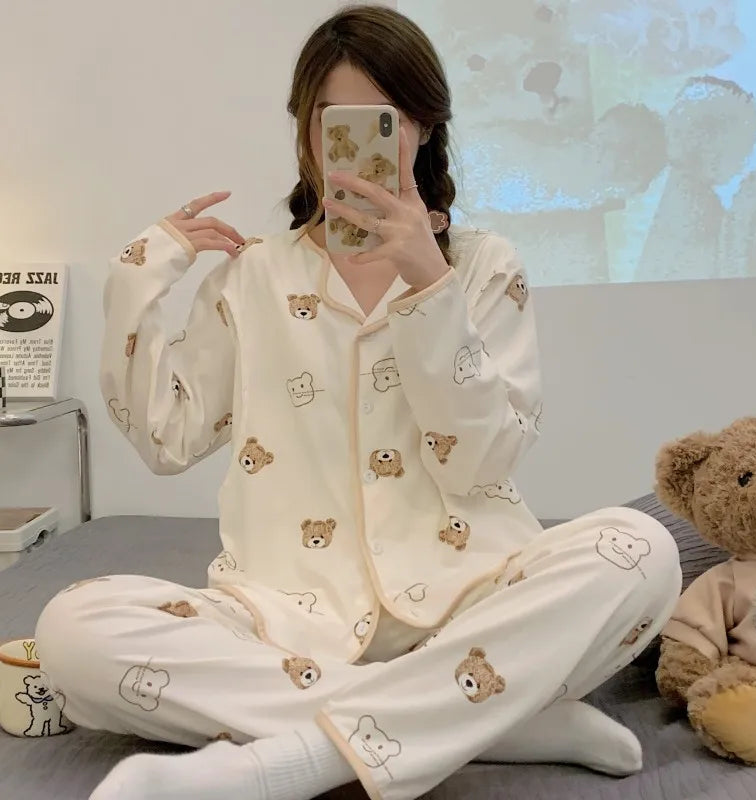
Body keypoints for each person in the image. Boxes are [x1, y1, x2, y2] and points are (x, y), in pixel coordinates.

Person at [35, 6, 680, 800]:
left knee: (641, 548)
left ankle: (293, 759)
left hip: (473, 601)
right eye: (332, 121)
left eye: (387, 119)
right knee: (72, 632)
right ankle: (496, 719)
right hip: (288, 621)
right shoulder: (254, 275)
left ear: (424, 126)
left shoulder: (483, 266)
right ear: (305, 134)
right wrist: (139, 278)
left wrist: (430, 288)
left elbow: (482, 463)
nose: (358, 144)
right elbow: (166, 439)